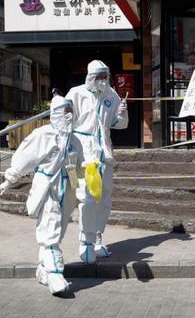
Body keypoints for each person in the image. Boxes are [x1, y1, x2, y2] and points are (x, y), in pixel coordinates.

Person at [0, 94, 77, 295]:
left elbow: (80, 164)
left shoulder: (73, 138)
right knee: (49, 229)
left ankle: (43, 270)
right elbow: (24, 157)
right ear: (55, 114)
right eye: (64, 111)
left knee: (58, 230)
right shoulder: (42, 134)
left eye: (71, 111)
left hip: (67, 188)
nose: (68, 115)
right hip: (47, 187)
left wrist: (84, 185)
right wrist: (10, 178)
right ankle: (55, 274)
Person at [66, 60, 128, 264]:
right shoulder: (75, 94)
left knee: (105, 198)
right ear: (90, 77)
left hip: (104, 153)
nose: (103, 80)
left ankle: (98, 238)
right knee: (88, 198)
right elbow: (62, 122)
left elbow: (118, 125)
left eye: (105, 76)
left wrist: (122, 114)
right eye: (99, 77)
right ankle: (86, 243)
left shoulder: (112, 95)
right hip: (84, 153)